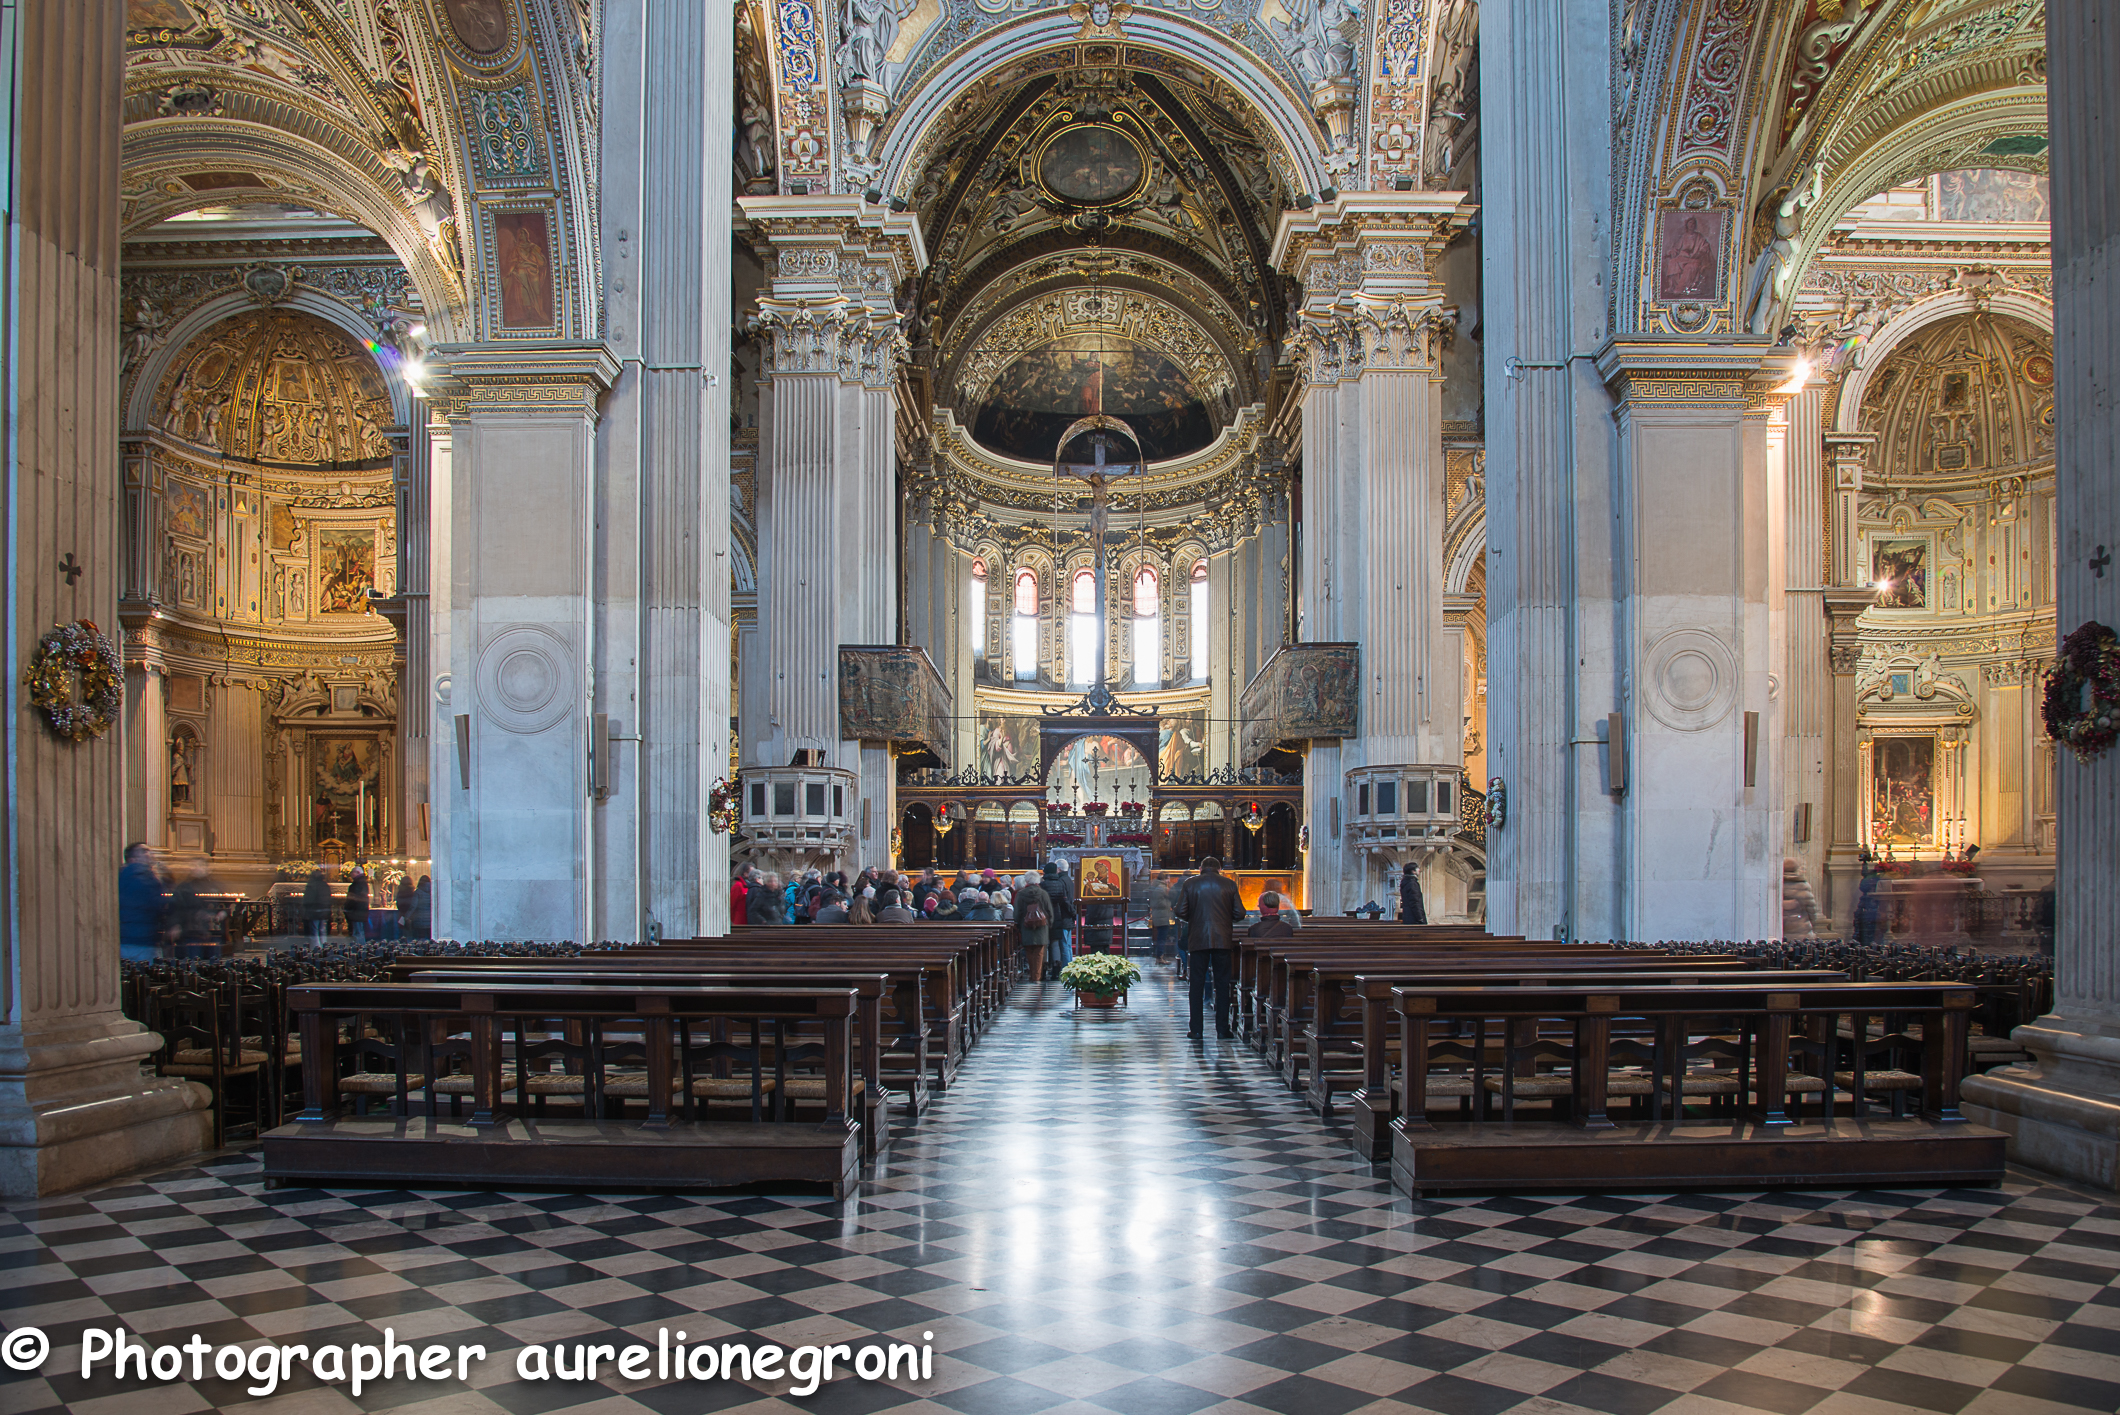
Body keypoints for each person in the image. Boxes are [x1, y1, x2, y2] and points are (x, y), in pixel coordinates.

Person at [1179, 857, 1243, 1039]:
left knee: (1196, 984)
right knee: (1223, 985)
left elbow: (1180, 911)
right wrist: (1224, 919)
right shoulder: (1229, 884)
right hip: (1222, 940)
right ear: (1219, 869)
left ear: (1201, 868)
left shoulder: (1191, 884)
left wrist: (1195, 918)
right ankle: (1223, 1029)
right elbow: (1239, 913)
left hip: (1198, 939)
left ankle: (1196, 1029)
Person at [119, 843, 169, 963]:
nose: (150, 854)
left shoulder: (118, 877)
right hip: (145, 940)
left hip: (122, 939)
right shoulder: (149, 879)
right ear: (133, 859)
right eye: (144, 851)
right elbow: (158, 905)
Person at [1040, 861, 1077, 981]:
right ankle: (1059, 969)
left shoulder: (1043, 884)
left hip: (1047, 917)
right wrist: (1073, 913)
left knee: (1050, 944)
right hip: (1059, 916)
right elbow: (1065, 900)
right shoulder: (1063, 882)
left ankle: (1047, 970)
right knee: (1058, 944)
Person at [1014, 871, 1053, 981]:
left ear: (1026, 881)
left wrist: (1018, 924)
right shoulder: (1043, 893)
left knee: (1029, 951)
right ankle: (1036, 976)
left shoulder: (1021, 894)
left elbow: (1017, 912)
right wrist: (1049, 924)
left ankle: (1032, 974)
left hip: (1026, 926)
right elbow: (1049, 911)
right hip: (1041, 927)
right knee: (1040, 953)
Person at [1144, 871, 1177, 964]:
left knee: (1161, 936)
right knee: (1162, 937)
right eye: (1168, 878)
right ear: (1165, 878)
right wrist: (1169, 904)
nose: (1169, 880)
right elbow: (1159, 902)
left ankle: (1160, 956)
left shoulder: (1157, 886)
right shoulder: (1161, 888)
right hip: (1161, 915)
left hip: (1159, 914)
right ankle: (1159, 957)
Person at [301, 866, 332, 945]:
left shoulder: (312, 885)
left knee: (314, 931)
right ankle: (324, 947)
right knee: (322, 930)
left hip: (314, 911)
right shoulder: (325, 885)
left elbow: (308, 899)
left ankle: (317, 947)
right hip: (324, 910)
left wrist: (306, 909)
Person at [344, 867, 371, 946]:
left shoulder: (357, 884)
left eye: (353, 872)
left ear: (358, 873)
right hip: (360, 911)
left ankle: (359, 947)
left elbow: (353, 899)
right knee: (359, 931)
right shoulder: (362, 883)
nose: (351, 874)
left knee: (357, 932)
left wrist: (347, 908)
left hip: (356, 911)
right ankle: (360, 946)